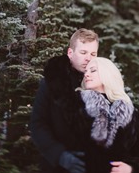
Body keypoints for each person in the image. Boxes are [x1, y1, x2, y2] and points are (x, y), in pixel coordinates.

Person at [30, 28, 99, 173]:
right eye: (83, 52)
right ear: (70, 53)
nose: (89, 58)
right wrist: (59, 155)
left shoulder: (102, 83)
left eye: (93, 54)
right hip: (57, 166)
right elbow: (38, 123)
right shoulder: (53, 82)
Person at [77, 57, 139, 173]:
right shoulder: (76, 103)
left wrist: (131, 168)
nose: (86, 74)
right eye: (85, 71)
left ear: (107, 73)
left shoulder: (129, 111)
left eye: (93, 70)